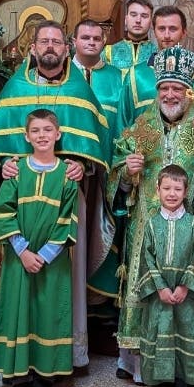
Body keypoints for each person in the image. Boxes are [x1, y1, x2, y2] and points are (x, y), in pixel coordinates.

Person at [0, 21, 113, 373]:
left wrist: (81, 167)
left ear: (66, 48)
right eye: (44, 41)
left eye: (56, 41)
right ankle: (16, 355)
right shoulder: (14, 88)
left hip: (67, 200)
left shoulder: (79, 90)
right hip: (20, 203)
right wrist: (3, 163)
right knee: (19, 272)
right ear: (33, 48)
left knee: (62, 276)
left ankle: (64, 354)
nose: (50, 47)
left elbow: (97, 144)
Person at [108, 45, 194, 385]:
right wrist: (127, 171)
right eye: (164, 88)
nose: (170, 94)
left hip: (186, 226)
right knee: (147, 286)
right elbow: (119, 176)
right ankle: (141, 365)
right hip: (146, 224)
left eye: (177, 88)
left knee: (181, 290)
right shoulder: (142, 124)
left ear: (188, 92)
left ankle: (182, 366)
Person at [0, 108, 81, 387]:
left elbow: (68, 218)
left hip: (52, 260)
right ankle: (19, 375)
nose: (42, 136)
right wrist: (23, 251)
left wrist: (45, 253)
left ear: (58, 134)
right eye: (36, 131)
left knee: (49, 311)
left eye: (47, 130)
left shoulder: (67, 176)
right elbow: (2, 211)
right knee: (18, 310)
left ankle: (44, 375)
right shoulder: (17, 172)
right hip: (20, 257)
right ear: (26, 136)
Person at [131, 163, 194, 387]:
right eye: (167, 188)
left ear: (186, 191)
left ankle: (183, 386)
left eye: (177, 188)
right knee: (157, 334)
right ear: (157, 189)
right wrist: (161, 287)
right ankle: (155, 385)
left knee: (185, 337)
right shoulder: (152, 224)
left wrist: (185, 286)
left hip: (185, 295)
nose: (172, 194)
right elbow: (147, 258)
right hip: (159, 295)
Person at [69, 18, 127, 310]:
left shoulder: (118, 77)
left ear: (104, 43)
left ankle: (99, 306)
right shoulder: (64, 75)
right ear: (74, 41)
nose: (91, 42)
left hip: (107, 168)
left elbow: (125, 124)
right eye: (85, 38)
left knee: (104, 229)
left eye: (97, 38)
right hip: (70, 171)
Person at [117, 5, 194, 127]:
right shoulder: (135, 75)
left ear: (184, 32)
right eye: (161, 29)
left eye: (173, 29)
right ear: (154, 31)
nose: (167, 35)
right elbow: (123, 125)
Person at [103, 0, 156, 75]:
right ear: (126, 19)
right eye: (133, 15)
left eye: (144, 16)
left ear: (151, 22)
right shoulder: (108, 53)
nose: (138, 20)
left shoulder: (158, 54)